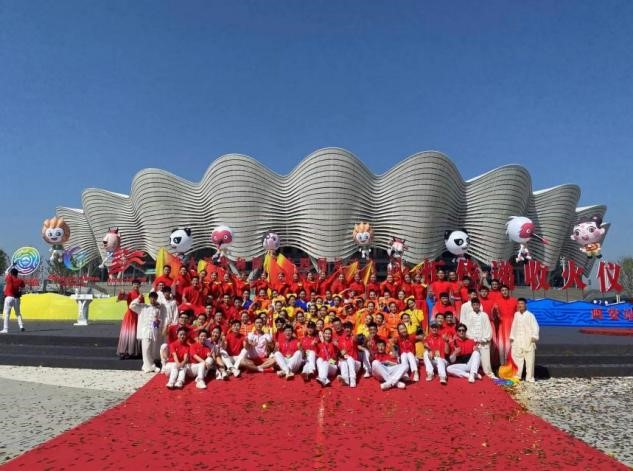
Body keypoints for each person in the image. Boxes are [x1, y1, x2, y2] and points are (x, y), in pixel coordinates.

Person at [130, 291, 166, 373]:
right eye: (151, 298)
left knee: (151, 350)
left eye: (154, 298)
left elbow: (159, 322)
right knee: (146, 349)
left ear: (156, 299)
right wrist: (138, 299)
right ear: (149, 298)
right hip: (145, 331)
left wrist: (157, 322)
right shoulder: (143, 307)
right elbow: (131, 306)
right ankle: (150, 366)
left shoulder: (157, 310)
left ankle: (148, 366)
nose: (153, 299)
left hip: (153, 332)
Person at [460, 298, 495, 378]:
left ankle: (489, 373)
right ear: (472, 306)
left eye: (477, 305)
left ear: (480, 305)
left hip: (483, 342)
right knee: (473, 360)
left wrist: (484, 339)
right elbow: (467, 329)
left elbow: (488, 328)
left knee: (486, 361)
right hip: (473, 342)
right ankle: (474, 373)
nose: (476, 306)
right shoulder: (469, 316)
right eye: (474, 305)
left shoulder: (484, 315)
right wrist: (473, 339)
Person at [509, 298, 540, 383]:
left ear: (525, 305)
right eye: (519, 304)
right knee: (517, 358)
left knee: (530, 360)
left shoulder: (530, 315)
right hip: (518, 339)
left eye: (522, 303)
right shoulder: (516, 314)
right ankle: (517, 375)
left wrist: (534, 336)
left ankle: (529, 377)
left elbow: (535, 326)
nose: (520, 305)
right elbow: (514, 326)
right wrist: (512, 336)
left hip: (528, 340)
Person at [116, 279, 143, 359]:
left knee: (136, 334)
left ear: (140, 286)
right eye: (134, 284)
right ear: (132, 285)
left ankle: (135, 352)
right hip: (130, 316)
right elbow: (119, 299)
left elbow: (142, 306)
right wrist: (121, 293)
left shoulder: (141, 295)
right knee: (128, 334)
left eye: (137, 284)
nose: (136, 285)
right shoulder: (129, 294)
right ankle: (124, 352)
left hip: (137, 317)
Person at [337, 321, 360, 387]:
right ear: (343, 329)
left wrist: (354, 337)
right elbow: (338, 353)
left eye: (349, 328)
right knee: (343, 361)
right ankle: (346, 380)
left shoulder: (354, 337)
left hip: (355, 363)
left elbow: (356, 339)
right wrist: (341, 354)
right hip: (345, 362)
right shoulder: (340, 339)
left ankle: (353, 380)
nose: (347, 329)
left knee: (349, 359)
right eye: (346, 328)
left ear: (352, 329)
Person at [2, 268, 25, 333]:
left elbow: (6, 271)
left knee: (7, 314)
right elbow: (23, 286)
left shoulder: (9, 278)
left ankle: (5, 329)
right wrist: (19, 290)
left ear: (11, 273)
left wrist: (11, 265)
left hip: (9, 297)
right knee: (18, 313)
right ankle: (21, 326)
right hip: (16, 298)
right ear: (17, 274)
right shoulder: (20, 280)